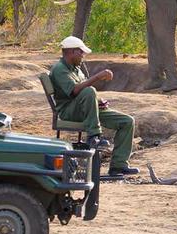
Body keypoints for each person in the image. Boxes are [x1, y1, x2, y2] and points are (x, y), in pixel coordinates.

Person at [49, 36, 139, 176]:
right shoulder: (60, 69)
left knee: (127, 121)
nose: (83, 56)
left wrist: (98, 102)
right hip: (69, 111)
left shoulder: (76, 69)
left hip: (84, 110)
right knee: (89, 90)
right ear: (71, 52)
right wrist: (98, 77)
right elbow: (74, 91)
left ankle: (118, 165)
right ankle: (93, 136)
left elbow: (84, 94)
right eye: (81, 52)